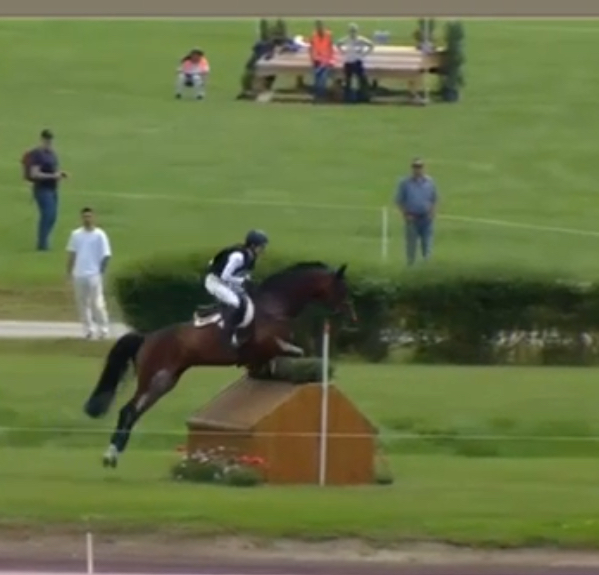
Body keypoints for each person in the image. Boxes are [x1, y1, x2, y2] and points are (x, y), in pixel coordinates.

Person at [203, 230, 269, 347]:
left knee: (249, 299)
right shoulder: (238, 257)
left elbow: (242, 274)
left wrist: (246, 281)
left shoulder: (250, 256)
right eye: (261, 247)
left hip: (226, 282)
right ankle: (228, 333)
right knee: (235, 302)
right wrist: (242, 281)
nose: (263, 249)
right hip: (215, 282)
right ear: (253, 245)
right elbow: (224, 276)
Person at [66, 207, 112, 339]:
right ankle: (88, 330)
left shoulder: (99, 235)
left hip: (93, 274)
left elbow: (106, 255)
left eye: (89, 216)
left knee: (97, 303)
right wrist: (69, 271)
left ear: (93, 217)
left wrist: (100, 271)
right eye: (84, 217)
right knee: (82, 304)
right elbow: (72, 254)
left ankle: (103, 329)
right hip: (79, 274)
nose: (87, 219)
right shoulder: (76, 234)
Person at [27, 129, 68, 251]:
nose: (49, 143)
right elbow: (34, 173)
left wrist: (60, 174)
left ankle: (44, 240)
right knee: (47, 215)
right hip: (42, 189)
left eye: (50, 141)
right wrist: (53, 176)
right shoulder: (37, 154)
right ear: (42, 140)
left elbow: (53, 169)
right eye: (47, 141)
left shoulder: (52, 154)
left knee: (53, 216)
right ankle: (42, 244)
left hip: (52, 188)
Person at [394, 158, 438, 266]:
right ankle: (410, 267)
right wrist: (406, 214)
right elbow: (399, 200)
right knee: (411, 246)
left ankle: (426, 267)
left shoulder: (430, 182)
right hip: (412, 218)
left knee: (427, 245)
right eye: (415, 167)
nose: (417, 169)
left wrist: (432, 212)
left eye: (420, 167)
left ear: (424, 168)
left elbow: (434, 198)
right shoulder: (405, 183)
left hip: (426, 218)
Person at [335, 23, 374, 103]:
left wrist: (364, 53)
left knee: (362, 80)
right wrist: (343, 51)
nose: (352, 33)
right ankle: (348, 98)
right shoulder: (347, 39)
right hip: (348, 62)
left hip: (357, 62)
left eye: (354, 31)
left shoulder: (360, 39)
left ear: (356, 31)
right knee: (348, 81)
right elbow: (338, 44)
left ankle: (363, 97)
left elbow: (371, 44)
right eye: (351, 31)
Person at [309, 20, 335, 102]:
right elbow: (311, 47)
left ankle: (321, 96)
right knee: (317, 79)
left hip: (325, 60)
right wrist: (312, 58)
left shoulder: (328, 35)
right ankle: (318, 96)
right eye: (318, 27)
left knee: (322, 79)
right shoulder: (314, 35)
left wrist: (331, 59)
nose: (319, 29)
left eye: (320, 27)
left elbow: (330, 48)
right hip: (317, 60)